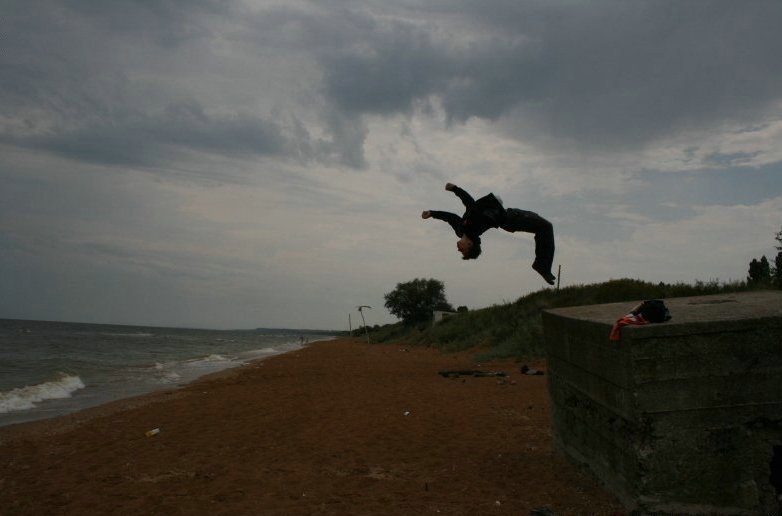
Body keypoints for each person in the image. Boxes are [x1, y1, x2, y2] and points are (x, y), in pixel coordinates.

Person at [422, 183, 557, 285]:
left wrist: (432, 213)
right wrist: (455, 189)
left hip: (504, 215)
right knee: (546, 226)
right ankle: (542, 266)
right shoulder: (472, 227)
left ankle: (541, 265)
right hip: (509, 219)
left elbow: (451, 217)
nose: (459, 249)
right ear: (470, 244)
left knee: (544, 227)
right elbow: (470, 203)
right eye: (463, 251)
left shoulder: (460, 230)